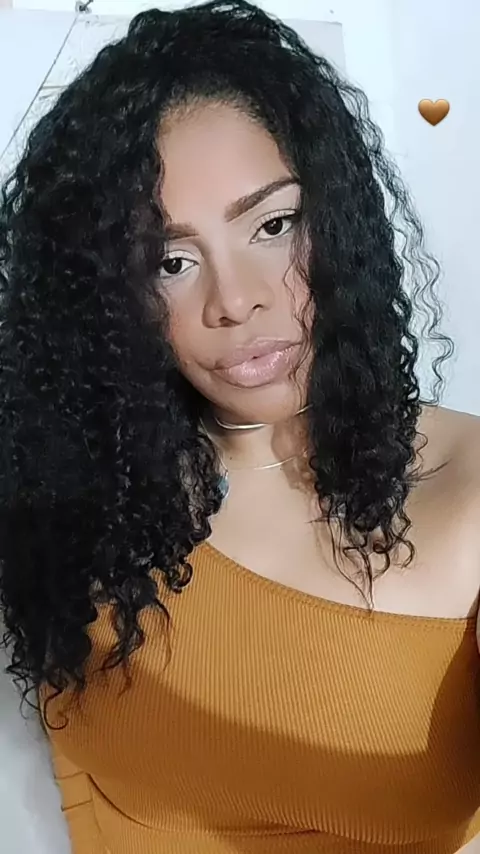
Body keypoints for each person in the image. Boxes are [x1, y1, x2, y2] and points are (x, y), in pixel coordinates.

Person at [0, 1, 480, 852]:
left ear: (336, 219)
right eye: (170, 261)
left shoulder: (468, 489)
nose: (235, 302)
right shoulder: (80, 496)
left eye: (273, 225)